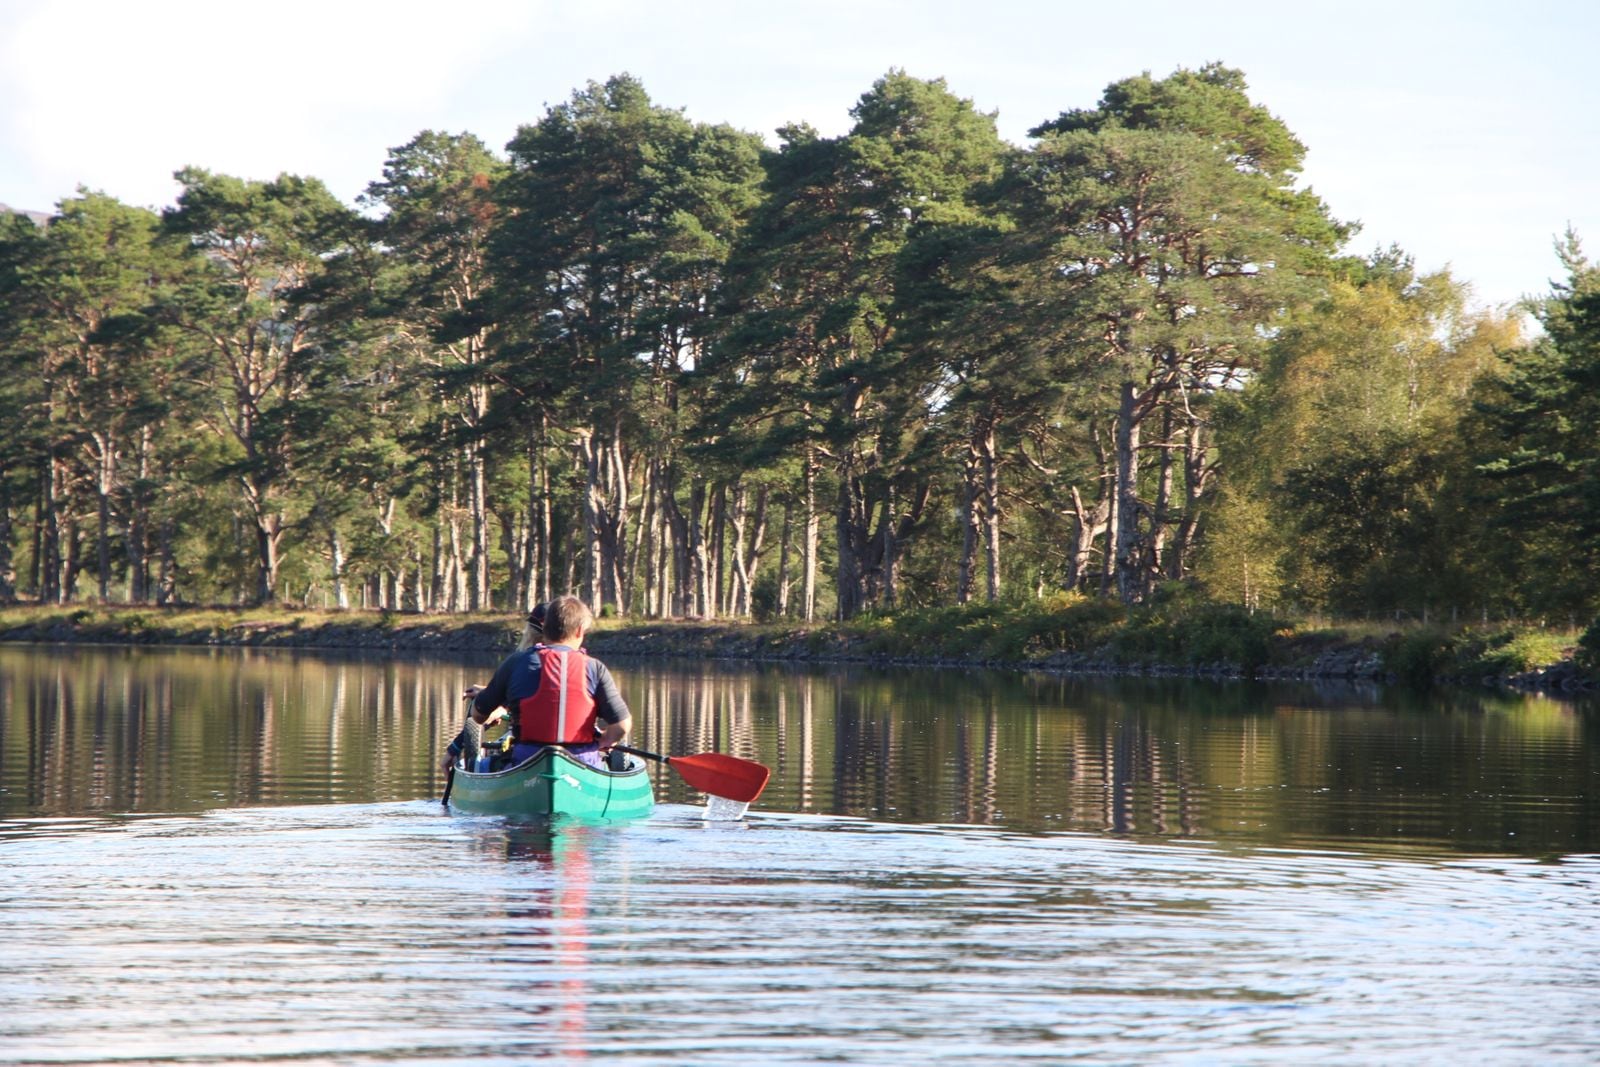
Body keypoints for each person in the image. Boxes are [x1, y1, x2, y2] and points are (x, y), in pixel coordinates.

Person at [444, 595, 632, 772]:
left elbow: (477, 715)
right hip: (582, 763)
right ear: (580, 631)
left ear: (545, 627)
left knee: (479, 767)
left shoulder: (516, 662)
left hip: (527, 761)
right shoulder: (595, 667)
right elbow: (622, 726)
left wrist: (496, 701)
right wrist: (604, 741)